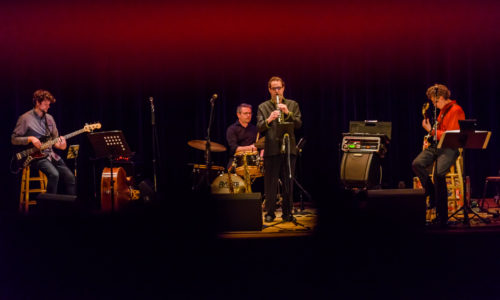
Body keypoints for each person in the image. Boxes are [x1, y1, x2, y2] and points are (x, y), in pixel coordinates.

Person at [412, 84, 465, 227]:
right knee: (417, 163)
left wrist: (431, 130)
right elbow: (440, 132)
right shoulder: (442, 111)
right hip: (438, 146)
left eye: (435, 102)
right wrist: (432, 131)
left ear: (441, 98)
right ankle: (431, 193)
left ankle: (443, 217)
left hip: (450, 147)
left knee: (438, 174)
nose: (434, 105)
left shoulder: (456, 110)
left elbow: (451, 136)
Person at [12, 89, 76, 195]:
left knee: (70, 178)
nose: (48, 106)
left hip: (50, 154)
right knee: (54, 175)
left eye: (49, 104)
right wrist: (30, 139)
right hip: (34, 156)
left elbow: (56, 142)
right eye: (46, 104)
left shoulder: (50, 119)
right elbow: (14, 139)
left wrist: (62, 144)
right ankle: (49, 207)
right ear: (37, 102)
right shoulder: (25, 118)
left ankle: (71, 209)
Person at [257, 76, 302, 222]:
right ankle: (269, 213)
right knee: (270, 183)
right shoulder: (263, 107)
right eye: (274, 88)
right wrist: (269, 119)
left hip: (289, 149)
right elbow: (260, 127)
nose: (277, 91)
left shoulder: (292, 104)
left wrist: (287, 112)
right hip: (271, 149)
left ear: (283, 88)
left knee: (288, 182)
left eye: (279, 88)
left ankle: (287, 212)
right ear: (269, 89)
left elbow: (298, 124)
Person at [226, 103, 259, 170]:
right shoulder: (232, 129)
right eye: (245, 113)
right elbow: (234, 148)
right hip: (237, 161)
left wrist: (261, 156)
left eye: (250, 113)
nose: (248, 115)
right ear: (238, 115)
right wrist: (251, 148)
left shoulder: (255, 129)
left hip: (253, 161)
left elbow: (261, 144)